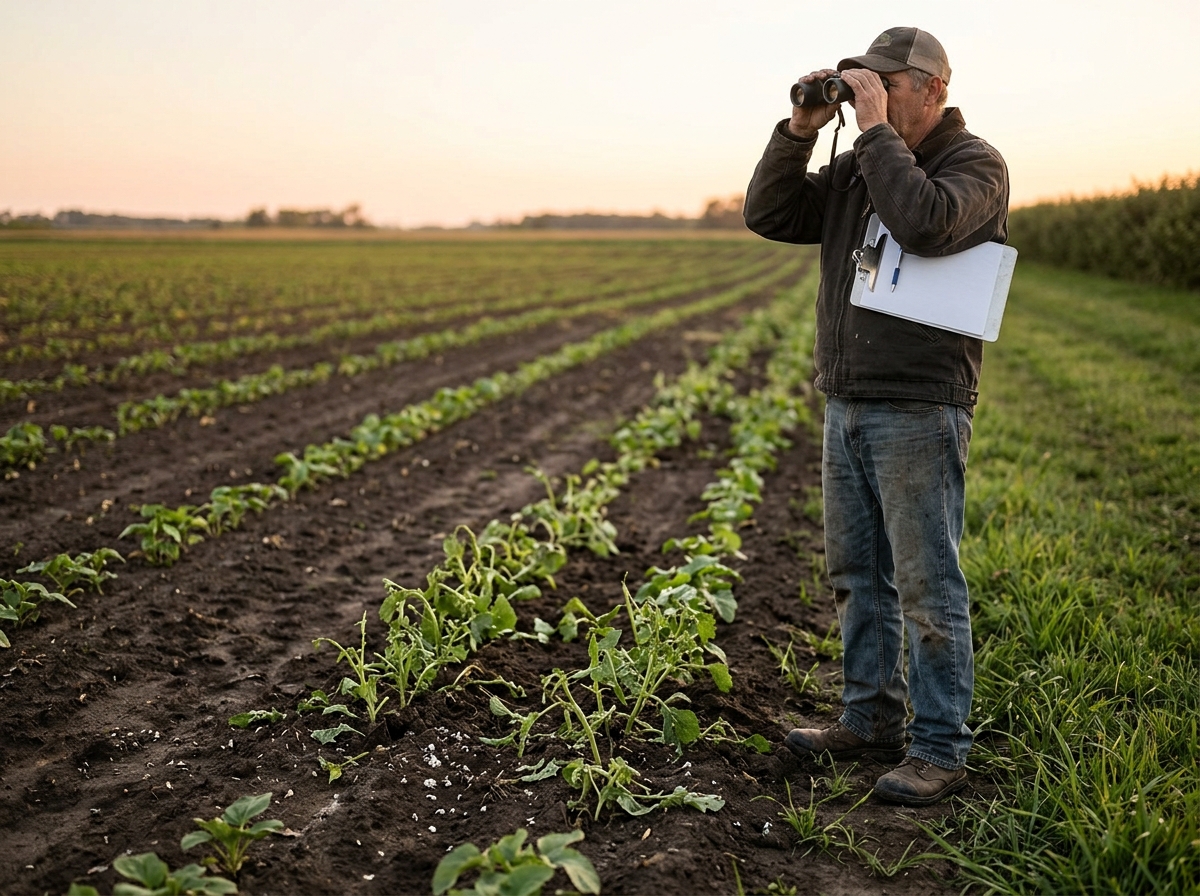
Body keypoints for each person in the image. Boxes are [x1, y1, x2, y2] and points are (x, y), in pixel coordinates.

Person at [742, 27, 1009, 806]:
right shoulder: (862, 163)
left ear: (933, 88)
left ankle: (939, 747)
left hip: (920, 403)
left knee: (927, 582)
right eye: (866, 83)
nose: (873, 95)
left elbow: (923, 223)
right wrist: (797, 131)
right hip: (848, 395)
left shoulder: (974, 164)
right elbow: (770, 213)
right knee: (858, 574)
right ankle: (869, 718)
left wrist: (874, 133)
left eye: (888, 83)